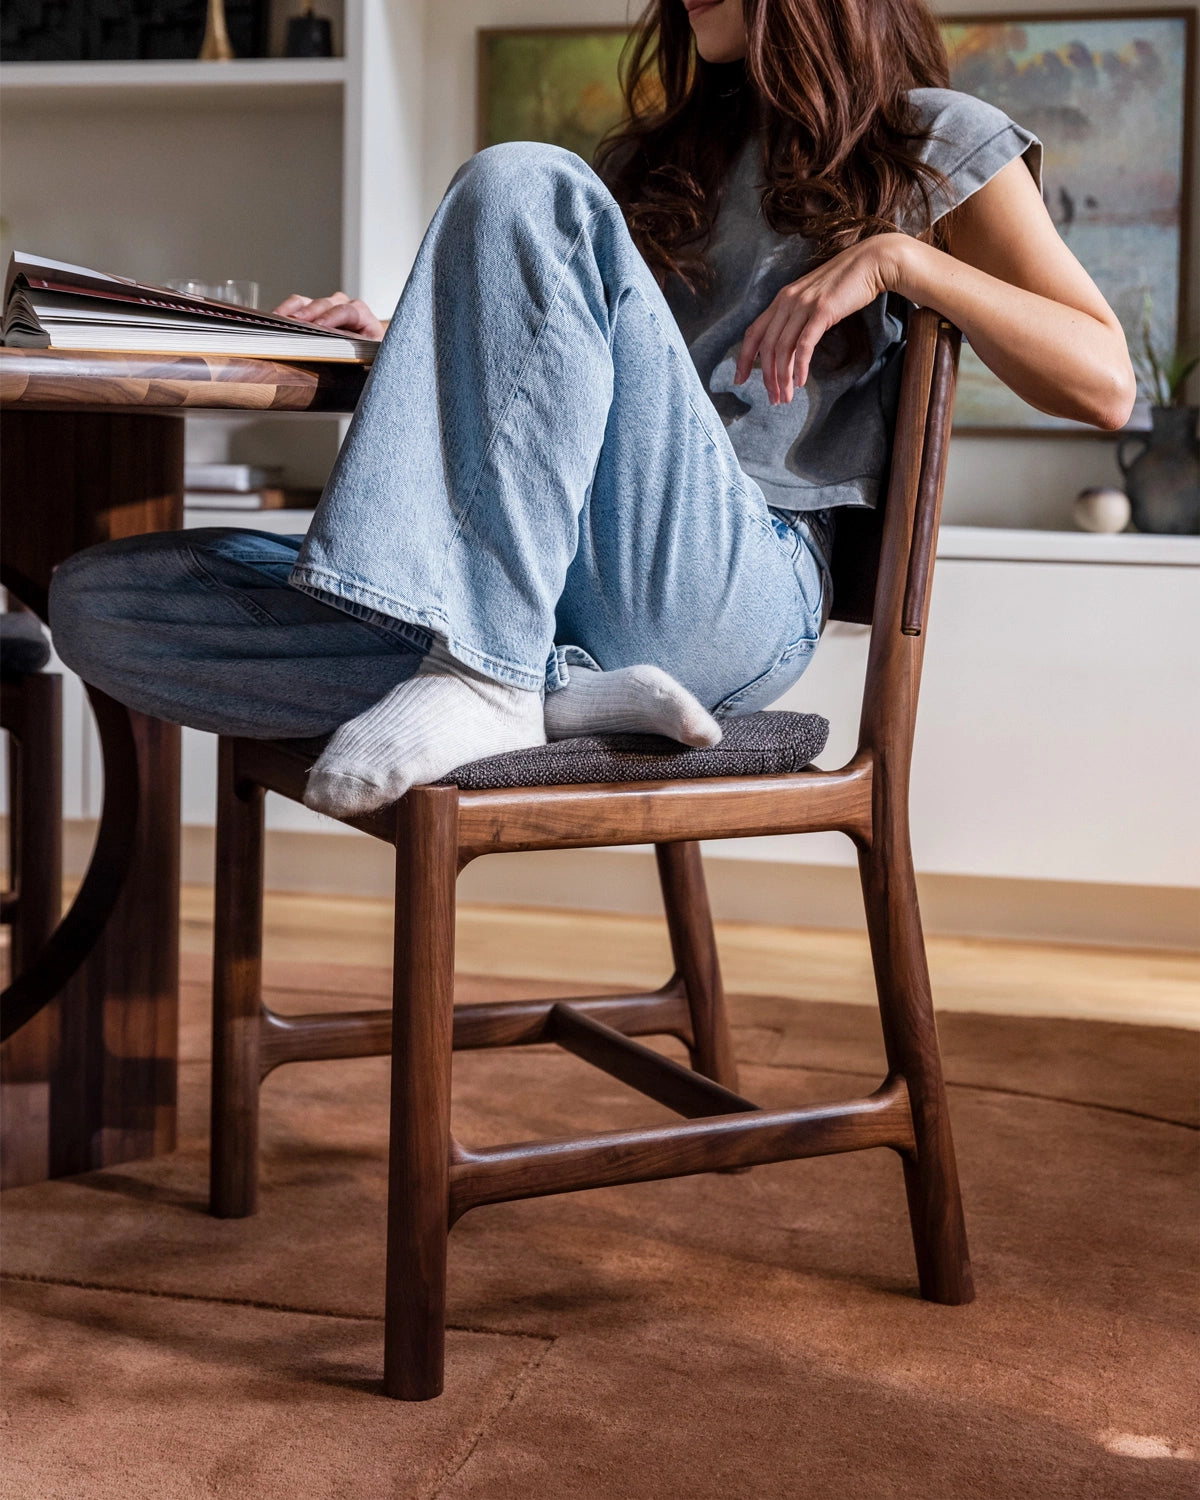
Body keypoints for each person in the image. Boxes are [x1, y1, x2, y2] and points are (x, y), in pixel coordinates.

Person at [49, 0, 1135, 818]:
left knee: (521, 179)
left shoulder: (931, 140)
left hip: (734, 584)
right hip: (558, 590)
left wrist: (905, 261)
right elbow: (569, 396)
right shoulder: (660, 164)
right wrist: (414, 340)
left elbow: (1104, 380)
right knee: (97, 598)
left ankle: (484, 671)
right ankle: (545, 684)